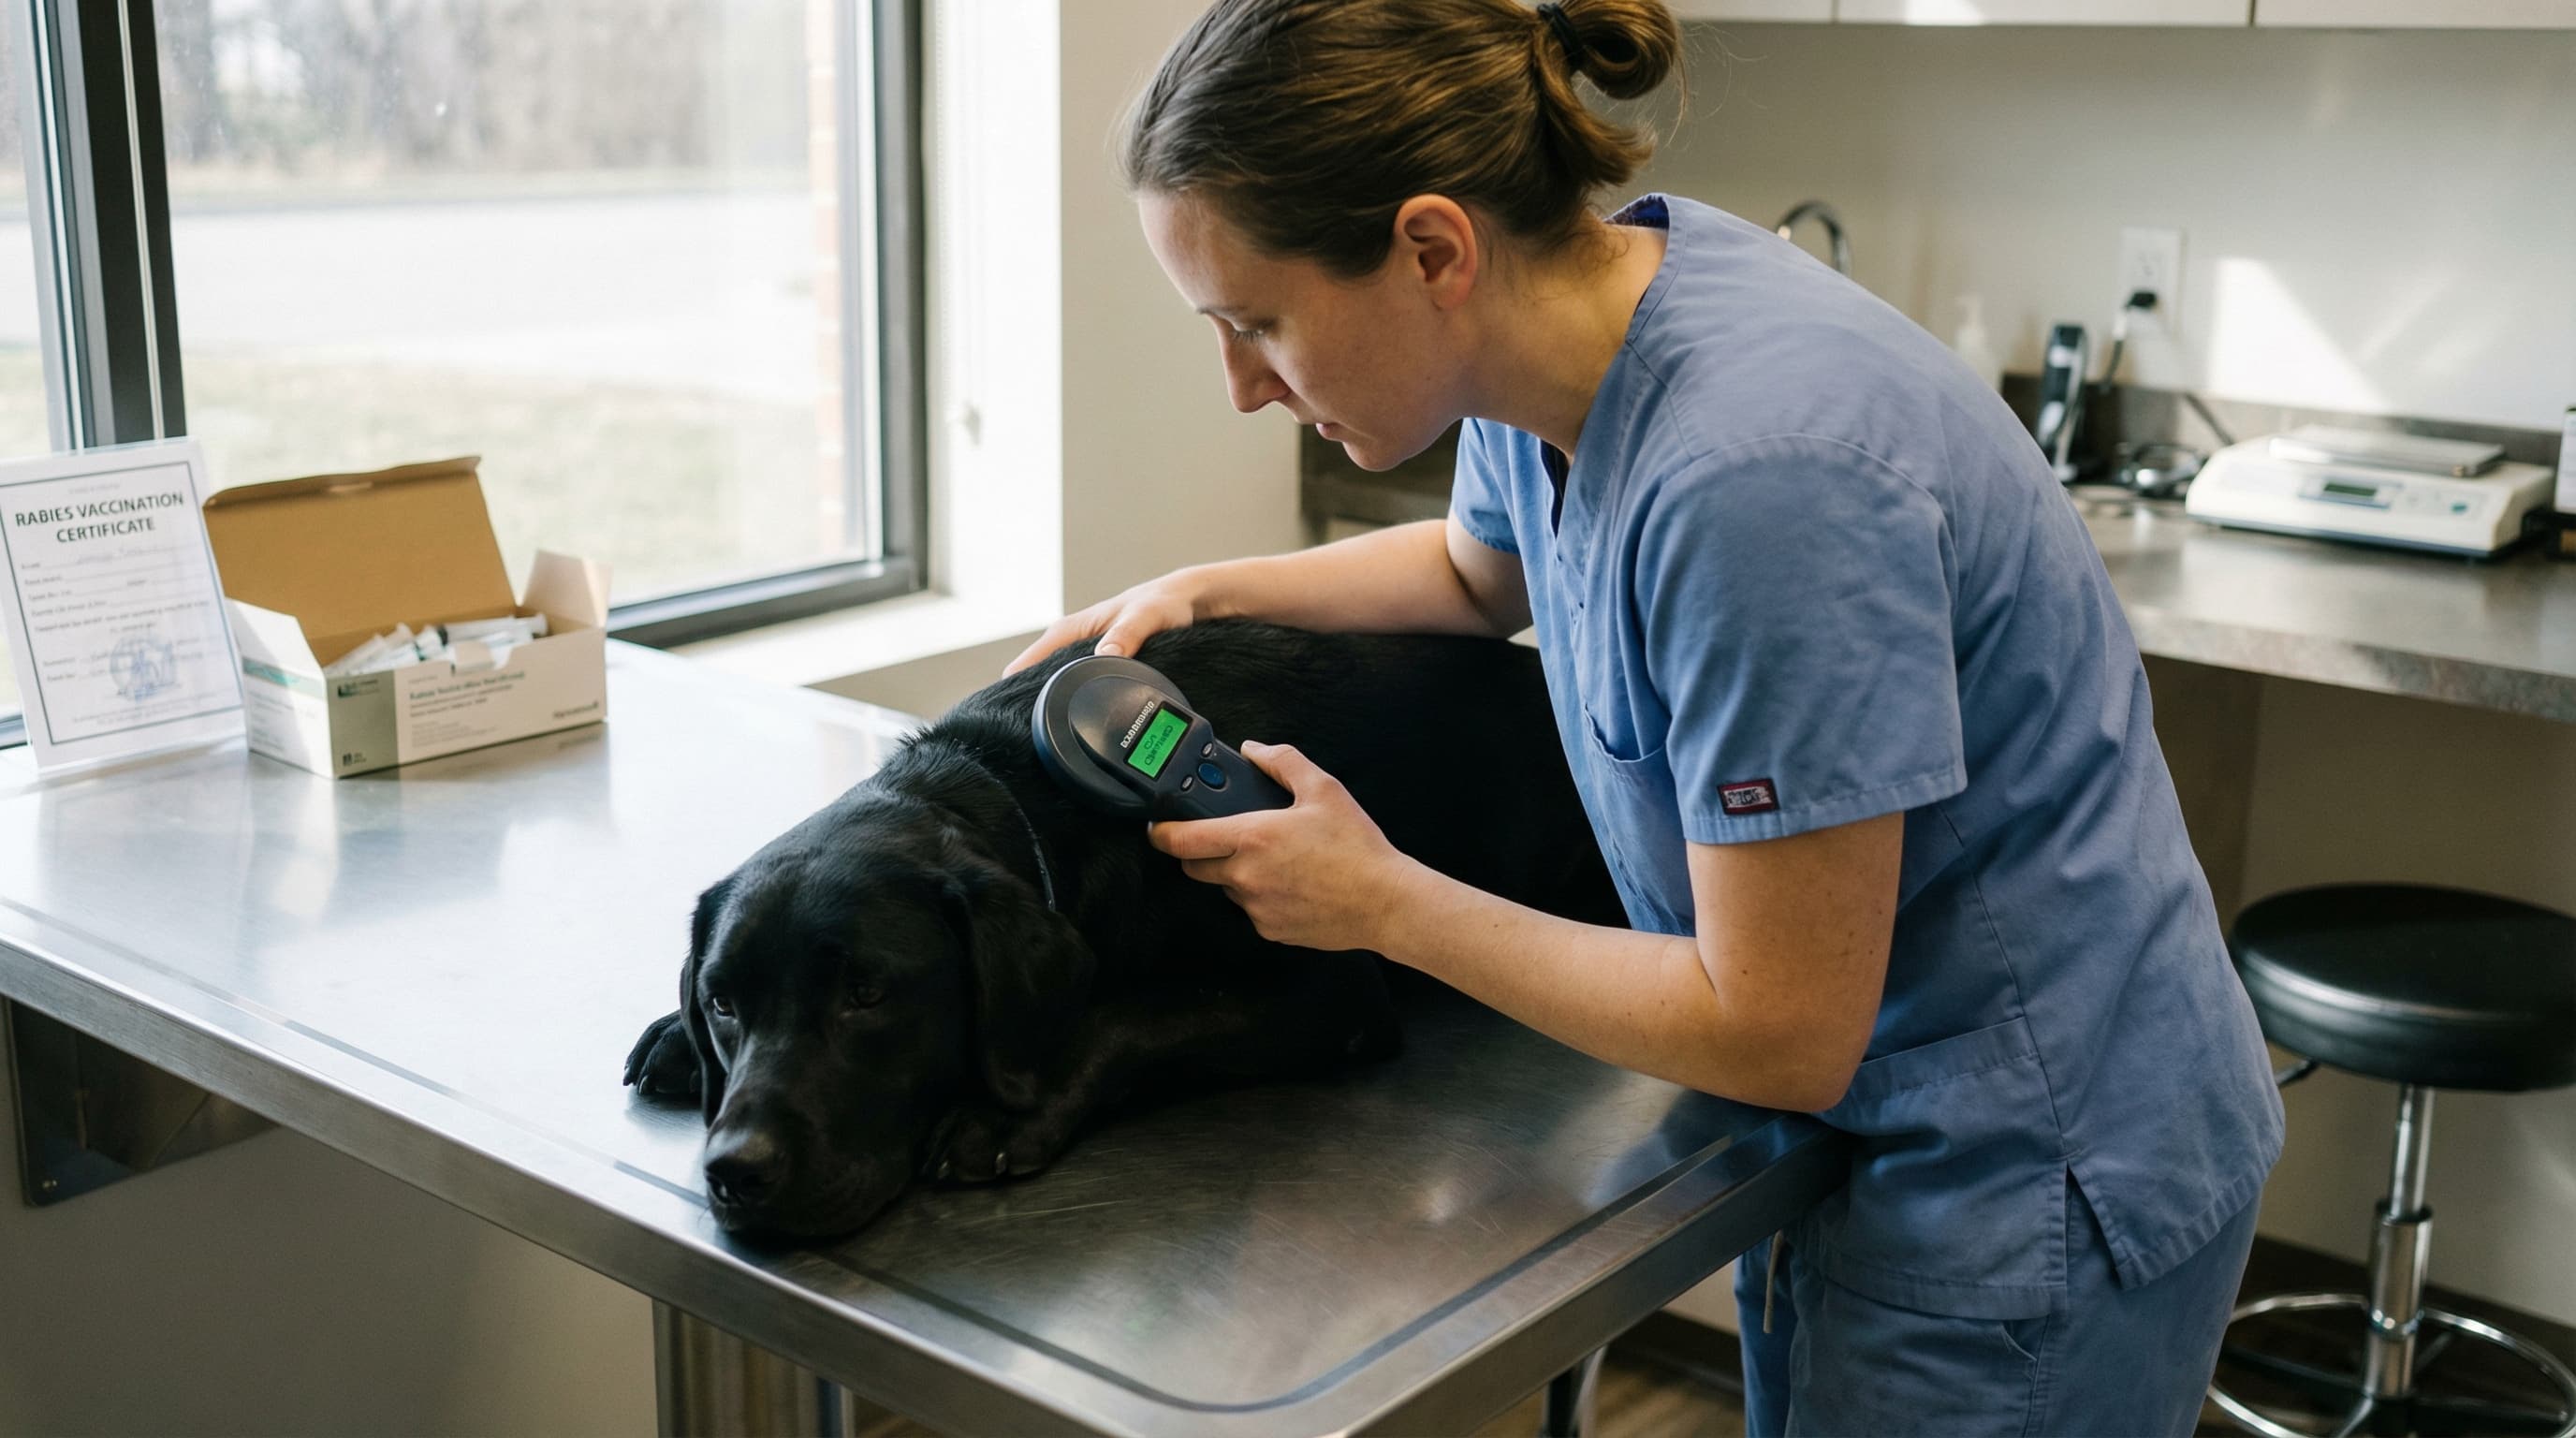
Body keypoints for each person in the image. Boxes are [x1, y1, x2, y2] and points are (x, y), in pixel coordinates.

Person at [1005, 1, 2284, 1431]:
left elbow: (1778, 1023)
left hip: (2023, 1168)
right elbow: (1479, 568)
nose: (1242, 386)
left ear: (1433, 249)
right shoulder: (1552, 331)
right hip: (1865, 1131)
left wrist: (1377, 901)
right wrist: (1205, 592)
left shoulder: (1760, 481)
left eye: (1259, 323)